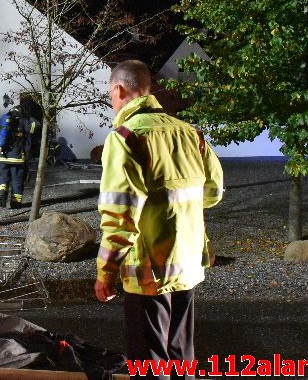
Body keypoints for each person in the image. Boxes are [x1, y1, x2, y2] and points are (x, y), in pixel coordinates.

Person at [94, 60, 223, 377]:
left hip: (148, 270)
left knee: (149, 364)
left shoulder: (126, 138)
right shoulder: (191, 134)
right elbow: (214, 191)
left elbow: (119, 215)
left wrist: (106, 271)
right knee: (182, 355)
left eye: (111, 95)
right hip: (189, 263)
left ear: (119, 89)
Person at [0, 105, 38, 208]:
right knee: (17, 180)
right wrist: (29, 116)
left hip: (3, 157)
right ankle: (15, 203)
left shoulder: (4, 119)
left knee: (3, 177)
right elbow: (34, 126)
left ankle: (2, 192)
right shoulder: (24, 121)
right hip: (17, 158)